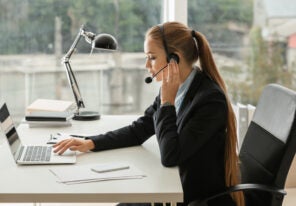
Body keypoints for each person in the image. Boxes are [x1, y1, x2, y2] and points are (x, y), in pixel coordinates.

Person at [53, 21, 244, 206]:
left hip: (191, 196)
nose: (147, 65)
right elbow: (141, 129)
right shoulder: (174, 89)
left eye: (152, 57)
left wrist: (167, 102)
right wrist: (91, 142)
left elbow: (171, 156)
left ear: (174, 59)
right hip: (173, 186)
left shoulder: (209, 100)